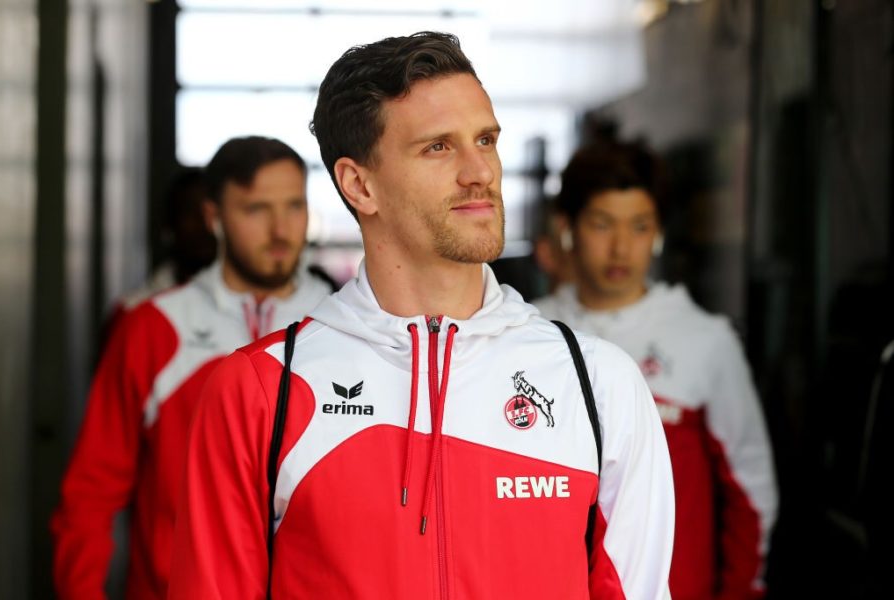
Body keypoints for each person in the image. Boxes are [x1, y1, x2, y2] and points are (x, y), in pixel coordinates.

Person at [169, 32, 674, 599]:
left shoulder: (599, 385)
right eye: (439, 147)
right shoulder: (261, 391)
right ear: (360, 185)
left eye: (485, 139)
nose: (479, 170)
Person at [50, 136, 333, 600]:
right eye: (257, 209)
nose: (281, 230)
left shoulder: (337, 323)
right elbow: (89, 496)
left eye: (294, 206)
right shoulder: (154, 326)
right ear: (214, 218)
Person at [535, 140, 778, 599]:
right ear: (567, 229)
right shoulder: (528, 333)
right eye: (602, 224)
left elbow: (751, 493)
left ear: (659, 232)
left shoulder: (705, 340)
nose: (621, 247)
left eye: (640, 226)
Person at [101, 167, 217, 343]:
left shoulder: (256, 310)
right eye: (190, 212)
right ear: (169, 223)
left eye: (213, 214)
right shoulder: (133, 311)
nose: (203, 224)